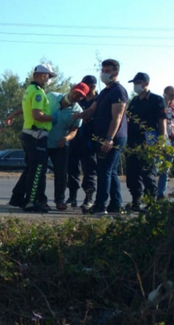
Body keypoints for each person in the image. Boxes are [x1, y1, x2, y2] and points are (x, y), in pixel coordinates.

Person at [73, 59, 128, 215]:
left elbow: (117, 117)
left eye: (108, 70)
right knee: (110, 171)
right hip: (102, 137)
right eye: (103, 70)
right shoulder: (104, 92)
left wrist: (109, 138)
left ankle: (100, 205)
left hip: (112, 138)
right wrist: (77, 115)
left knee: (104, 170)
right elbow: (91, 110)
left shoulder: (118, 91)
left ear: (116, 73)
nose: (104, 73)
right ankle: (116, 205)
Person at [7, 64, 57, 213]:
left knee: (30, 169)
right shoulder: (38, 93)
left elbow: (26, 109)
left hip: (29, 134)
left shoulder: (29, 90)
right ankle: (30, 201)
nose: (49, 80)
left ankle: (17, 197)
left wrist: (13, 115)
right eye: (49, 76)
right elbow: (36, 114)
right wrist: (52, 118)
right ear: (43, 76)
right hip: (37, 135)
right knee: (37, 170)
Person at [124, 72, 166, 212]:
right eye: (134, 83)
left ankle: (152, 203)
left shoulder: (157, 100)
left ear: (146, 83)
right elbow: (128, 119)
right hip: (133, 142)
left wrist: (161, 141)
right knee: (132, 173)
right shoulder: (135, 101)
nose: (136, 86)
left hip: (149, 142)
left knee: (148, 173)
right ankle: (136, 200)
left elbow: (162, 121)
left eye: (138, 83)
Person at [46, 82, 88, 210]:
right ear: (71, 89)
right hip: (42, 141)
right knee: (37, 171)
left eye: (80, 96)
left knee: (62, 174)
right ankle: (37, 199)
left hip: (60, 145)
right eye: (76, 92)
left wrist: (66, 138)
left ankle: (60, 200)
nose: (77, 96)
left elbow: (74, 130)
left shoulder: (78, 111)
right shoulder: (52, 96)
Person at [66, 75, 99, 209]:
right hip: (75, 139)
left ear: (93, 86)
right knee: (72, 170)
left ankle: (89, 198)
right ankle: (72, 197)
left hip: (90, 141)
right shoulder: (80, 100)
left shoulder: (98, 100)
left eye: (87, 85)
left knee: (89, 171)